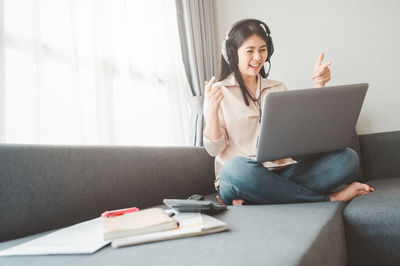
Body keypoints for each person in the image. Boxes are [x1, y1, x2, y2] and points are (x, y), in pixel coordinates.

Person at [203, 19, 374, 206]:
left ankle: (260, 196)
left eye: (262, 50)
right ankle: (328, 198)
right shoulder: (219, 91)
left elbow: (304, 136)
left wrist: (319, 87)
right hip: (242, 175)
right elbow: (214, 150)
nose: (258, 57)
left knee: (347, 158)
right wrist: (211, 110)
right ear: (232, 54)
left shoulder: (277, 87)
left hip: (284, 172)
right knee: (234, 169)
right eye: (250, 51)